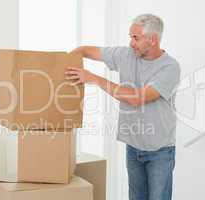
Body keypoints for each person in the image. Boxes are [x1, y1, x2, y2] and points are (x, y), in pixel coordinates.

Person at [65, 13, 180, 200]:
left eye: (136, 38)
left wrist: (94, 79)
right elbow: (84, 50)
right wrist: (58, 66)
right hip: (133, 148)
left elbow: (136, 98)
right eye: (130, 37)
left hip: (160, 151)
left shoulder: (170, 67)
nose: (131, 43)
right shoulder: (126, 54)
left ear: (152, 40)